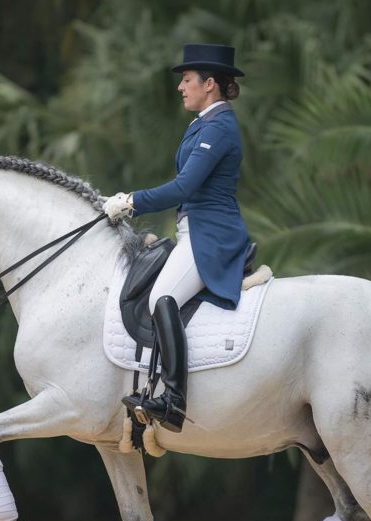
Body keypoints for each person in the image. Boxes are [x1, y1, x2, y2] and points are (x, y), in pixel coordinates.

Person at [104, 43, 250, 433]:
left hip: (212, 235)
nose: (180, 87)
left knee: (161, 297)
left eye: (187, 80)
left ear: (211, 84)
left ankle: (173, 400)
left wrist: (132, 201)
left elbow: (184, 187)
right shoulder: (203, 123)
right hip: (194, 231)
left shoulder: (219, 127)